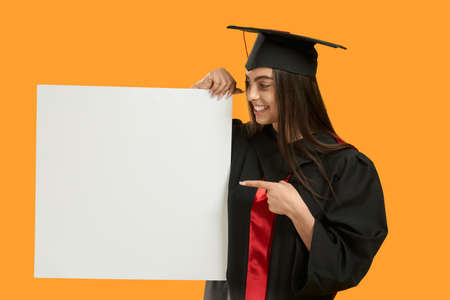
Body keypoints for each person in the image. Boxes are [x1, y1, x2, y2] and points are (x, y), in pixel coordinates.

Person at [191, 25, 388, 300]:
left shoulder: (346, 167)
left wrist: (298, 212)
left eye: (264, 85)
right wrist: (199, 101)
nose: (251, 96)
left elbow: (346, 269)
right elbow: (170, 161)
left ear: (294, 87)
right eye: (248, 83)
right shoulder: (236, 143)